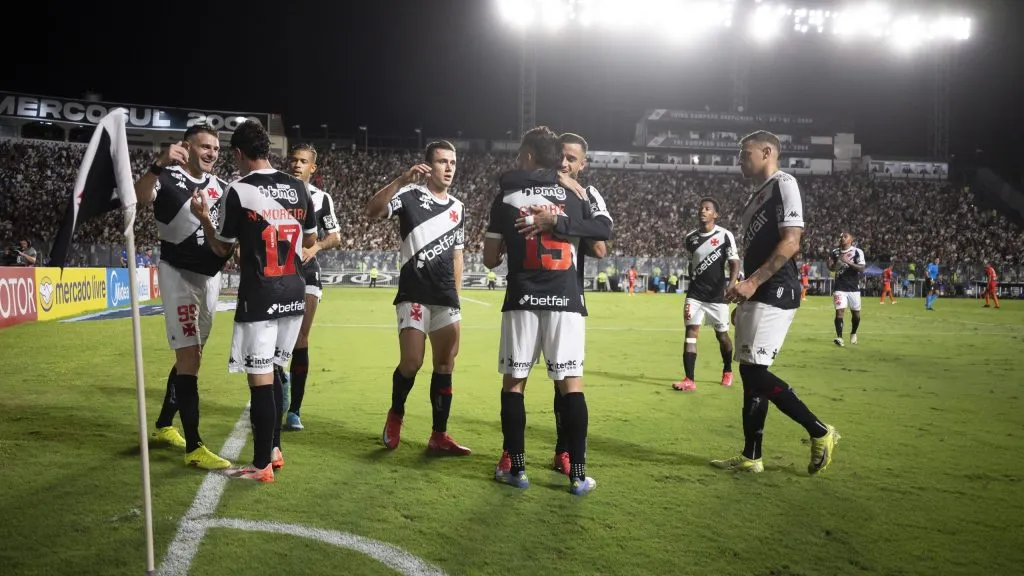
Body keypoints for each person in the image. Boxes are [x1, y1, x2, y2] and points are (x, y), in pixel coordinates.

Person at [483, 126, 611, 495]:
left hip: (522, 297)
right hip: (566, 300)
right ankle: (577, 475)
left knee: (515, 385)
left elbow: (491, 260)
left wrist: (512, 240)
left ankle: (517, 470)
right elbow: (602, 233)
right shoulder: (576, 197)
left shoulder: (506, 195)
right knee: (571, 386)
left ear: (527, 155)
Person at [191, 120, 318, 482]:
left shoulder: (238, 190)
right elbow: (310, 240)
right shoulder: (298, 187)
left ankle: (261, 465)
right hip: (295, 291)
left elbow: (221, 248)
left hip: (261, 294)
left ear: (238, 153)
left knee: (260, 379)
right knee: (276, 371)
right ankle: (274, 449)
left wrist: (204, 220)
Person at [714, 130, 839, 475]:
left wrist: (752, 282)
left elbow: (791, 242)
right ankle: (752, 456)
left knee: (754, 371)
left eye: (745, 152)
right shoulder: (756, 195)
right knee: (750, 370)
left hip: (776, 288)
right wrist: (746, 293)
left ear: (767, 152)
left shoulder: (785, 184)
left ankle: (820, 431)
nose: (739, 159)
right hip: (759, 291)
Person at [132, 123, 232, 470]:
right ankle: (195, 447)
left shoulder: (221, 187)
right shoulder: (168, 177)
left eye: (216, 149)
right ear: (186, 147)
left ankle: (162, 426)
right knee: (189, 357)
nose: (211, 154)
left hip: (209, 280)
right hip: (177, 275)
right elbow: (141, 197)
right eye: (205, 147)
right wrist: (157, 163)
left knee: (194, 356)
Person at [364, 141, 471, 455]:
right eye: (442, 161)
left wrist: (457, 296)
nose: (449, 167)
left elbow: (457, 256)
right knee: (412, 362)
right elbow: (371, 212)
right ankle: (396, 413)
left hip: (445, 298)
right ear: (428, 166)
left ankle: (439, 435)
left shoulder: (458, 207)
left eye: (452, 162)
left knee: (445, 365)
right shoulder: (409, 195)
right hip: (414, 294)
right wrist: (401, 181)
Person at [280, 143, 342, 432]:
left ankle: (295, 410)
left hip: (306, 271)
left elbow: (335, 236)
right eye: (293, 159)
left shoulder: (321, 198)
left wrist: (315, 247)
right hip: (276, 269)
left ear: (312, 167)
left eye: (303, 161)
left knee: (301, 337)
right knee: (275, 339)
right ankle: (273, 393)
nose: (296, 164)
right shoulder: (274, 190)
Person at [673, 197, 739, 391]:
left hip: (717, 296)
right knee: (691, 333)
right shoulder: (690, 238)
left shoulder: (725, 235)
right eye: (701, 208)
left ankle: (727, 370)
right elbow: (691, 262)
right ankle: (689, 380)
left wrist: (732, 284)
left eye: (707, 209)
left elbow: (734, 262)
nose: (703, 211)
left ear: (715, 215)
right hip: (695, 294)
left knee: (722, 336)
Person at [828, 232, 865, 346]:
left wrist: (848, 262)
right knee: (839, 312)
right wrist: (837, 263)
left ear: (851, 239)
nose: (842, 238)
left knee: (856, 315)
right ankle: (839, 338)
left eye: (845, 237)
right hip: (840, 287)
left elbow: (862, 268)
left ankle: (853, 333)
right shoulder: (835, 252)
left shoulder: (857, 252)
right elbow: (830, 267)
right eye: (841, 237)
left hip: (853, 287)